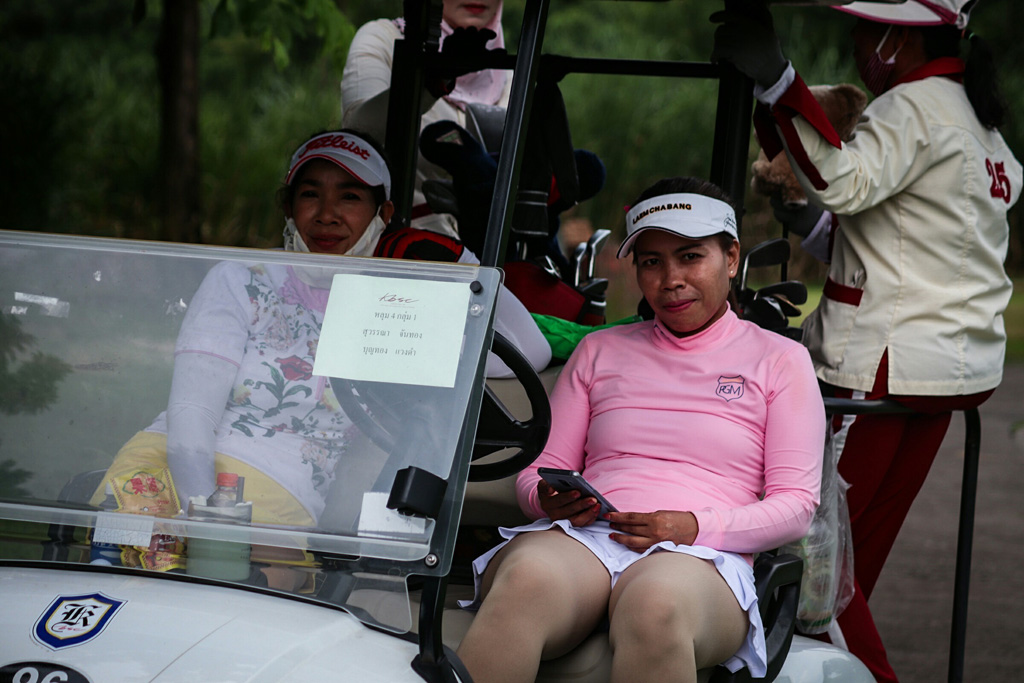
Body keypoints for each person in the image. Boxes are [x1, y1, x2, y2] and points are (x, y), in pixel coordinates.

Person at [712, 1, 1021, 680]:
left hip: (877, 367)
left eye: (863, 26)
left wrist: (778, 79)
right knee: (854, 568)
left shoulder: (910, 109)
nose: (855, 41)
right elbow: (914, 249)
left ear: (895, 37)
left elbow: (845, 184)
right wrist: (812, 225)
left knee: (812, 573)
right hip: (941, 374)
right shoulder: (974, 120)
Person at [455, 177, 825, 683]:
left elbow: (796, 506)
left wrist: (691, 526)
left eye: (690, 257)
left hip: (703, 554)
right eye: (652, 262)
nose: (670, 279)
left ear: (731, 257)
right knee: (524, 580)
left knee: (656, 603)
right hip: (585, 538)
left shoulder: (781, 360)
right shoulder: (599, 350)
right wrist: (547, 500)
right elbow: (538, 471)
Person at [93, 129, 550, 538]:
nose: (327, 215)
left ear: (384, 213)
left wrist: (463, 264)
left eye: (350, 197)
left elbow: (529, 351)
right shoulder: (242, 277)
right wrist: (206, 519)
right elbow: (192, 417)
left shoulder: (402, 305)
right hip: (172, 467)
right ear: (289, 207)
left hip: (282, 489)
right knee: (115, 572)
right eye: (311, 194)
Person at [341, 0, 509, 238]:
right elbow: (356, 135)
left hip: (494, 256)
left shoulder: (512, 72)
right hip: (400, 250)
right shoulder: (383, 39)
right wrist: (432, 83)